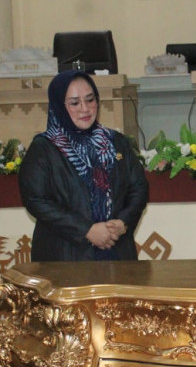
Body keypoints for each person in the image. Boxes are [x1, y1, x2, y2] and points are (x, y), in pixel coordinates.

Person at [19, 70, 148, 261]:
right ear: (58, 106)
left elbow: (138, 188)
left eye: (90, 100)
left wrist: (123, 222)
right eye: (74, 103)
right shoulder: (44, 148)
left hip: (116, 251)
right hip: (65, 255)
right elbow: (37, 200)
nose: (85, 109)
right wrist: (86, 230)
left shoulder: (116, 141)